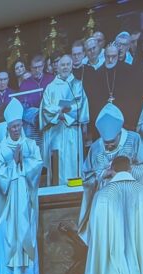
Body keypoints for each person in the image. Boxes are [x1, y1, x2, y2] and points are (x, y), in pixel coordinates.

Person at [79, 104, 143, 239]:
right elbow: (87, 176)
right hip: (105, 201)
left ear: (119, 133)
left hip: (130, 198)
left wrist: (124, 172)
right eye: (106, 143)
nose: (109, 146)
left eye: (112, 141)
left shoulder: (133, 139)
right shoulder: (95, 147)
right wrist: (103, 174)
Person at [0, 99, 44, 274]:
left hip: (26, 199)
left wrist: (23, 164)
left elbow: (38, 163)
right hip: (8, 202)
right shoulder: (0, 148)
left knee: (26, 231)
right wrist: (14, 163)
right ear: (7, 127)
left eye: (19, 125)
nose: (16, 129)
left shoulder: (30, 144)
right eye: (13, 126)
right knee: (8, 233)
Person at [40, 54, 89, 186]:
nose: (65, 67)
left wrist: (67, 112)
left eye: (68, 64)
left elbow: (81, 106)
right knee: (58, 162)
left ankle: (75, 191)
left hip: (72, 131)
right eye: (62, 65)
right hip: (56, 132)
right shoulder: (50, 87)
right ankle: (58, 191)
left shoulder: (77, 85)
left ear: (72, 66)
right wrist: (59, 113)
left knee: (72, 162)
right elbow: (45, 108)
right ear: (57, 67)